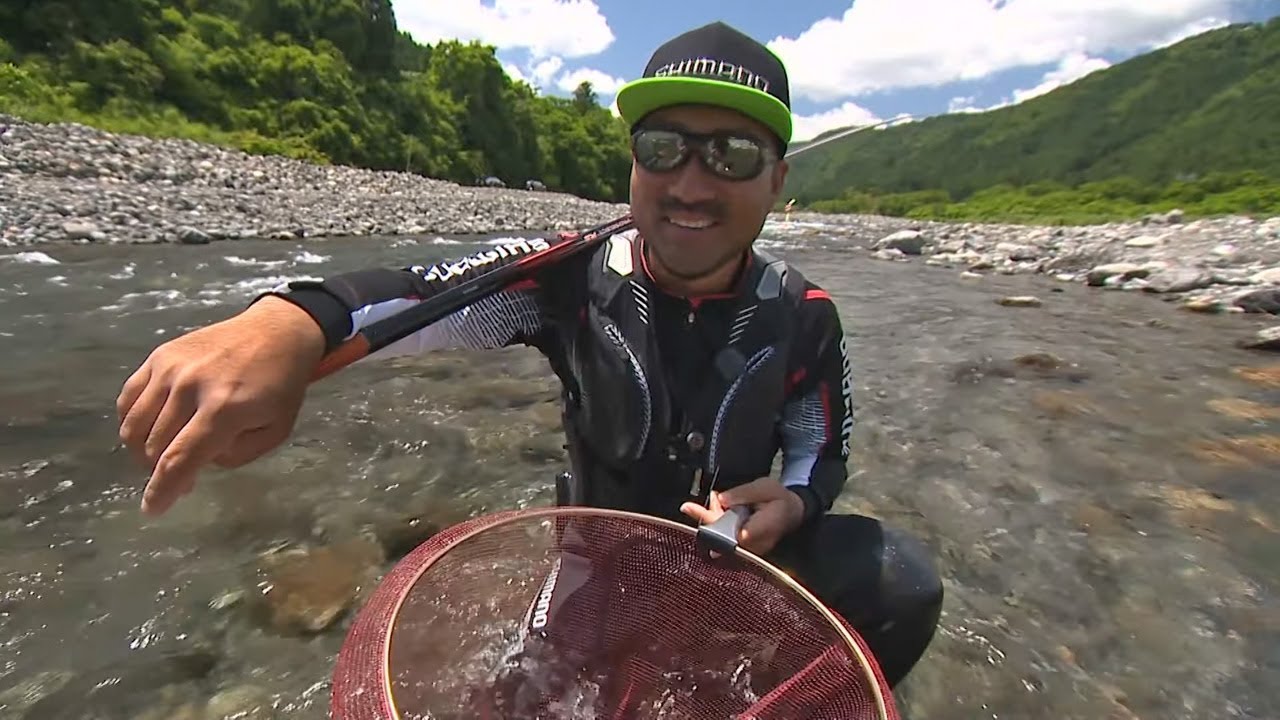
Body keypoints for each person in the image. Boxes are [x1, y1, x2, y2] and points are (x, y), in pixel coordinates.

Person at [115, 20, 943, 688]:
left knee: (900, 583)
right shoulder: (565, 279)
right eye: (663, 149)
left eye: (730, 156)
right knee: (521, 701)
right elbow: (421, 294)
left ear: (776, 181)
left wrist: (794, 506)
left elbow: (818, 448)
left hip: (737, 563)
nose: (691, 185)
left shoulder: (806, 317)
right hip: (594, 572)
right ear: (633, 164)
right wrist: (284, 327)